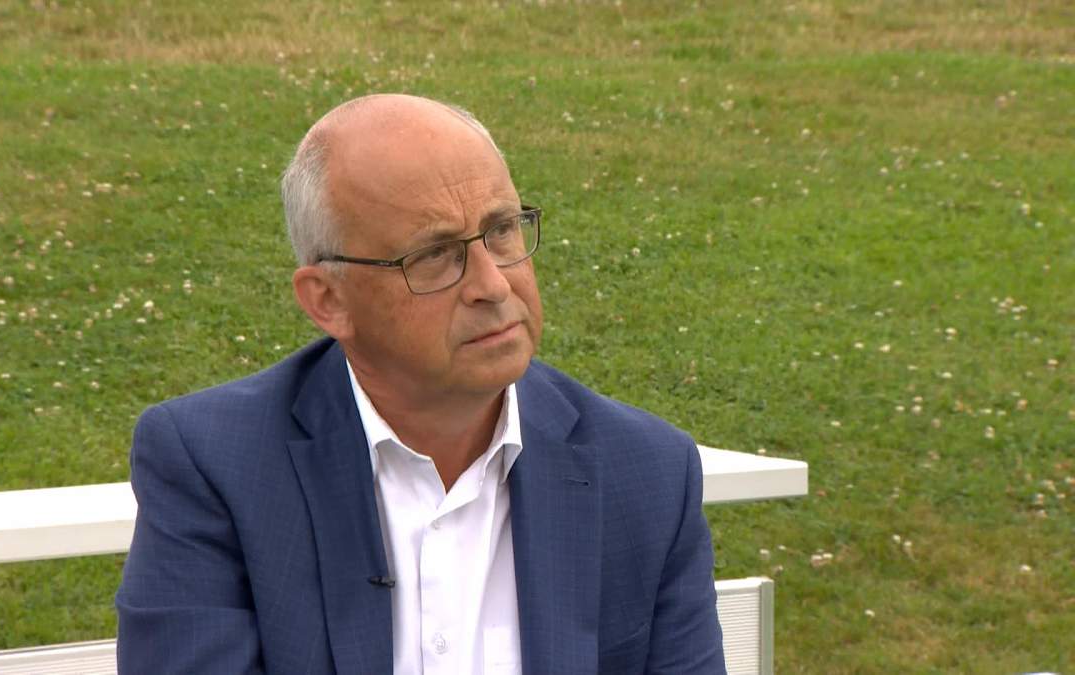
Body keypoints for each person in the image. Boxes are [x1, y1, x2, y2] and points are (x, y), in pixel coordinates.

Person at [115, 94, 725, 674]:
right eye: (434, 255)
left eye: (502, 230)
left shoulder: (648, 473)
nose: (493, 284)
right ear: (329, 301)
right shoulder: (218, 465)